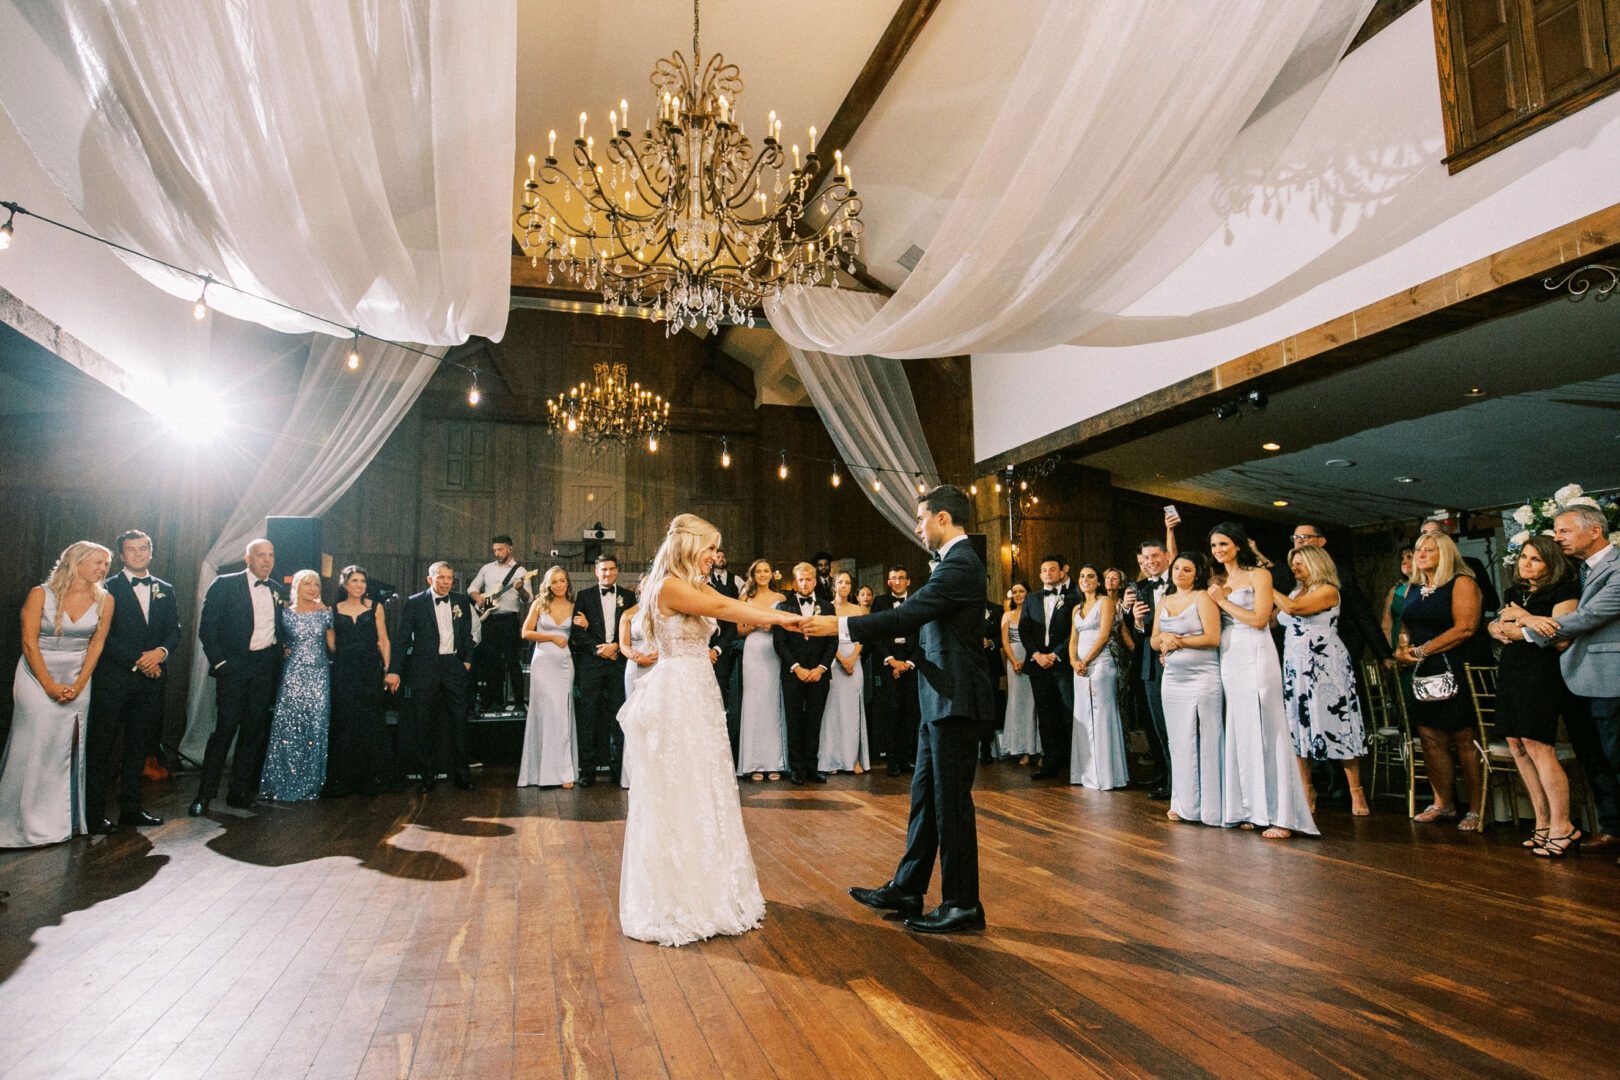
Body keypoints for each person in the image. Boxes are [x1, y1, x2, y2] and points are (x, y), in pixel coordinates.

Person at [810, 485, 996, 935]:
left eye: (920, 519)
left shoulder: (962, 564)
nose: (917, 527)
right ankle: (908, 887)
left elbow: (905, 617)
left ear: (943, 520)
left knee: (952, 805)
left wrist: (841, 625)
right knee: (925, 800)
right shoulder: (951, 564)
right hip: (939, 696)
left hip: (957, 699)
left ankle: (962, 903)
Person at [616, 514, 804, 946]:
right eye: (711, 548)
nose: (716, 557)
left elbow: (720, 608)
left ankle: (713, 890)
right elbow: (723, 609)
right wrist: (780, 617)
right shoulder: (668, 586)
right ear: (689, 546)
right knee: (681, 787)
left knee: (707, 786)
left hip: (700, 690)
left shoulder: (695, 585)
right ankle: (680, 898)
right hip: (679, 693)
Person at [1513, 504, 1620, 859]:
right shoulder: (1580, 571)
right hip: (1579, 679)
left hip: (1611, 678)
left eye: (1563, 531)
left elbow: (1587, 616)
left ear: (1594, 531)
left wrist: (1527, 623)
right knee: (1595, 758)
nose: (1556, 538)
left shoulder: (1617, 568)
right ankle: (1613, 829)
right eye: (1555, 531)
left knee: (1616, 757)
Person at [0, 542, 114, 847]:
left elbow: (97, 646)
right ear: (75, 562)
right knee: (34, 743)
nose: (103, 568)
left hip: (78, 676)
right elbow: (28, 644)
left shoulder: (106, 600)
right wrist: (49, 685)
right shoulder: (40, 594)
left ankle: (60, 823)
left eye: (106, 564)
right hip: (36, 675)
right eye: (97, 562)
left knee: (66, 747)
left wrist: (78, 685)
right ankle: (19, 822)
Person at [1208, 523, 1317, 839]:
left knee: (1268, 729)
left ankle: (1282, 815)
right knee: (1241, 730)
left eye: (1224, 544)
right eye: (1214, 545)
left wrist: (1222, 601)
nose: (1218, 550)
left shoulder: (1259, 575)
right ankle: (1249, 808)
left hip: (1257, 651)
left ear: (1238, 546)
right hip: (1230, 654)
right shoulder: (1219, 581)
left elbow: (1259, 620)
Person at [1489, 536, 1582, 856]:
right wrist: (1498, 626)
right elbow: (1502, 626)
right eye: (1523, 558)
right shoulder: (1514, 593)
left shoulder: (1565, 590)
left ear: (1552, 563)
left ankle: (1563, 825)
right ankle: (1541, 822)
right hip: (1513, 669)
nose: (1524, 564)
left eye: (1535, 559)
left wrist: (1523, 621)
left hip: (1542, 673)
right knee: (1516, 745)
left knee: (1539, 746)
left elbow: (1560, 638)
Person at [1394, 532, 1488, 830]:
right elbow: (1404, 624)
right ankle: (1444, 804)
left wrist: (1422, 650)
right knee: (1430, 737)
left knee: (1464, 739)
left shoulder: (1462, 582)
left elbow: (1465, 628)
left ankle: (1476, 808)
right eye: (1418, 549)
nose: (1419, 555)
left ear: (1445, 553)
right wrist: (1402, 646)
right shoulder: (1413, 588)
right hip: (1423, 671)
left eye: (1428, 550)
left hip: (1457, 665)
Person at [86, 529, 178, 832]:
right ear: (122, 556)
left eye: (143, 548)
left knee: (139, 747)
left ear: (150, 551)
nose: (138, 554)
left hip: (151, 682)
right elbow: (102, 636)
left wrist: (160, 653)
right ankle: (93, 814)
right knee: (103, 748)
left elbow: (174, 630)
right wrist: (140, 660)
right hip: (114, 679)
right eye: (131, 550)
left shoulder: (165, 588)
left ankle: (132, 809)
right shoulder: (104, 587)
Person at [1276, 546, 1370, 818]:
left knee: (1338, 722)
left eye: (1299, 563)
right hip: (1296, 664)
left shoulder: (1328, 591)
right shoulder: (1294, 592)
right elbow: (1275, 618)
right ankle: (1307, 788)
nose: (1294, 568)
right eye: (1292, 564)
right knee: (1298, 724)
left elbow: (1294, 610)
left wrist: (1263, 585)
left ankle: (1356, 790)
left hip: (1325, 664)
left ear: (1316, 564)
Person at [193, 538, 284, 815]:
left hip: (263, 669)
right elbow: (207, 628)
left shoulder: (277, 590)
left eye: (270, 555)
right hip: (233, 667)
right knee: (225, 730)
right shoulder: (225, 584)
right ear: (248, 559)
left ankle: (239, 792)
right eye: (260, 555)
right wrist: (222, 663)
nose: (266, 561)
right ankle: (203, 796)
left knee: (253, 730)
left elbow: (278, 629)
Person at [386, 561, 476, 793]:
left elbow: (467, 635)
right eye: (441, 578)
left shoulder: (461, 601)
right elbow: (403, 637)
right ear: (430, 579)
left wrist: (465, 662)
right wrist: (394, 669)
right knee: (423, 722)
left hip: (453, 666)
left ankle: (462, 775)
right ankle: (428, 777)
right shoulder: (415, 602)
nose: (446, 582)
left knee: (459, 721)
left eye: (450, 578)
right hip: (424, 668)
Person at [1152, 553, 1223, 827]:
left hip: (1203, 675)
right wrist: (1164, 640)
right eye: (1177, 568)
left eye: (1187, 569)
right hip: (1173, 677)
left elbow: (1213, 637)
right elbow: (1154, 641)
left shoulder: (1203, 598)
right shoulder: (1164, 601)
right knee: (1178, 739)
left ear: (1197, 574)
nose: (1180, 573)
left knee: (1208, 736)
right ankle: (1184, 803)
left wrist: (1178, 641)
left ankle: (1212, 805)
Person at [260, 568, 331, 801]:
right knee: (288, 727)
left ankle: (311, 783)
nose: (312, 589)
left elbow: (334, 646)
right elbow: (275, 642)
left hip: (319, 675)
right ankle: (281, 782)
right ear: (297, 587)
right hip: (293, 675)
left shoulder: (326, 614)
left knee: (315, 726)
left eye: (316, 585)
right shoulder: (284, 614)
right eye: (307, 584)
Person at [324, 565, 395, 797]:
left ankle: (371, 778)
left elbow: (383, 640)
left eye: (363, 581)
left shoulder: (375, 607)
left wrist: (387, 670)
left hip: (369, 671)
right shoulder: (332, 609)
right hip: (344, 671)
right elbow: (331, 644)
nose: (360, 585)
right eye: (354, 581)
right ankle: (344, 779)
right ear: (345, 584)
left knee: (370, 721)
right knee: (345, 722)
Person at [1282, 524, 1394, 666]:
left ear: (1321, 541)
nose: (1299, 541)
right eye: (1295, 537)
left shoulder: (1340, 575)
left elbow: (1362, 616)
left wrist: (1383, 654)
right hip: (1296, 656)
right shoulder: (1290, 575)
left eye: (1305, 537)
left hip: (1335, 652)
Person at [571, 554, 635, 787]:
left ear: (617, 570)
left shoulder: (628, 597)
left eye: (611, 569)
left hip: (619, 662)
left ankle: (619, 771)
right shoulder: (584, 596)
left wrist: (616, 647)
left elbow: (633, 628)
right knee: (589, 716)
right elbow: (576, 633)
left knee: (619, 717)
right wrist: (599, 650)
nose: (607, 573)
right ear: (596, 572)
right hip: (592, 664)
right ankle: (587, 771)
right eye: (603, 570)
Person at [775, 563, 837, 784]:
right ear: (795, 582)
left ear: (814, 580)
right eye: (800, 580)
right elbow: (779, 643)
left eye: (808, 579)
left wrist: (821, 668)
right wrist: (797, 668)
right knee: (794, 720)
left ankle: (812, 767)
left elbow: (833, 641)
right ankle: (797, 769)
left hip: (820, 673)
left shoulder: (827, 608)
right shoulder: (784, 607)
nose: (804, 583)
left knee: (814, 720)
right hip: (793, 673)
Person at [1069, 566, 1128, 790]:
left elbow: (1104, 635)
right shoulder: (1076, 608)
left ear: (1098, 581)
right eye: (1082, 576)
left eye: (1090, 576)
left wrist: (1086, 661)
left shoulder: (1106, 602)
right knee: (1083, 715)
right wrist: (1074, 662)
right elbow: (1073, 638)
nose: (1086, 580)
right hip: (1080, 668)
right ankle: (1085, 772)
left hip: (1101, 664)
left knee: (1102, 715)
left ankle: (1106, 774)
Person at [519, 566, 578, 789]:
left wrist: (585, 626)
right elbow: (526, 632)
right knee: (544, 714)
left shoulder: (574, 606)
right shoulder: (539, 604)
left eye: (562, 581)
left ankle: (564, 773)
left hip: (564, 664)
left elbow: (581, 636)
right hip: (543, 662)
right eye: (554, 582)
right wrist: (552, 637)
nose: (559, 585)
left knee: (561, 713)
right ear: (548, 585)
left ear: (567, 583)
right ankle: (538, 773)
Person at [1019, 555, 1075, 780]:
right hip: (1037, 664)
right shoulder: (1031, 598)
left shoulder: (1072, 597)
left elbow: (1074, 630)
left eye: (1052, 570)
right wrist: (1036, 655)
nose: (1048, 574)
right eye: (1044, 570)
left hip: (1061, 662)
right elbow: (1024, 630)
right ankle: (1049, 763)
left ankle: (1073, 763)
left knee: (1067, 713)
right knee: (1046, 714)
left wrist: (1055, 654)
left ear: (1063, 572)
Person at [1127, 540, 1173, 799]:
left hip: (1180, 659)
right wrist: (1137, 622)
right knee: (1159, 727)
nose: (1150, 561)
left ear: (1167, 556)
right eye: (1145, 557)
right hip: (1151, 665)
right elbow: (1139, 634)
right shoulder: (1141, 588)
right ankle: (1168, 778)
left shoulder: (1179, 582)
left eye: (1155, 555)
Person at [736, 559, 788, 780]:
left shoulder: (781, 598)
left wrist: (774, 624)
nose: (763, 575)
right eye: (759, 571)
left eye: (766, 571)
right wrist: (756, 625)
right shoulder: (744, 598)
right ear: (753, 574)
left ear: (771, 575)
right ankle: (754, 762)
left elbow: (787, 625)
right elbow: (739, 629)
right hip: (754, 649)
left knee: (773, 701)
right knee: (754, 703)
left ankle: (774, 762)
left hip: (774, 650)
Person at [467, 535, 531, 712]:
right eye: (494, 550)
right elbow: (471, 588)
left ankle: (519, 702)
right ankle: (495, 702)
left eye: (500, 549)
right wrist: (478, 598)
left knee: (513, 662)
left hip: (509, 620)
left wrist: (521, 589)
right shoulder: (487, 569)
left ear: (510, 549)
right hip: (489, 620)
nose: (497, 553)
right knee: (492, 662)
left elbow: (528, 599)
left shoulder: (520, 571)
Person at [871, 565, 923, 776]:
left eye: (902, 578)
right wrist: (891, 661)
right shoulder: (880, 603)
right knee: (891, 712)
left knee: (910, 712)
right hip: (888, 662)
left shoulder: (918, 601)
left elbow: (924, 634)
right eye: (893, 578)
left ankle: (905, 758)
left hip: (912, 664)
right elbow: (874, 632)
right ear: (888, 582)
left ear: (908, 581)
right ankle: (892, 760)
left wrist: (908, 663)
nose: (898, 582)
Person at [819, 571, 869, 774]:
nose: (844, 586)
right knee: (832, 711)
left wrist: (853, 657)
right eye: (840, 582)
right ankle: (831, 759)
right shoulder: (826, 607)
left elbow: (864, 636)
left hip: (854, 659)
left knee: (853, 711)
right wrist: (840, 658)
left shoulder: (858, 609)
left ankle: (853, 759)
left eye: (848, 583)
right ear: (834, 585)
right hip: (833, 657)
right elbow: (826, 637)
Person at [998, 583, 1039, 763]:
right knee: (1017, 704)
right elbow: (1005, 642)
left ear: (1028, 593)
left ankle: (1038, 749)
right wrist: (1014, 661)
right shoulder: (1007, 615)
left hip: (1033, 658)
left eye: (1021, 591)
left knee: (1035, 704)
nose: (1017, 594)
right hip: (1014, 660)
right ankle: (1021, 749)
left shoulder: (1035, 613)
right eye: (1014, 592)